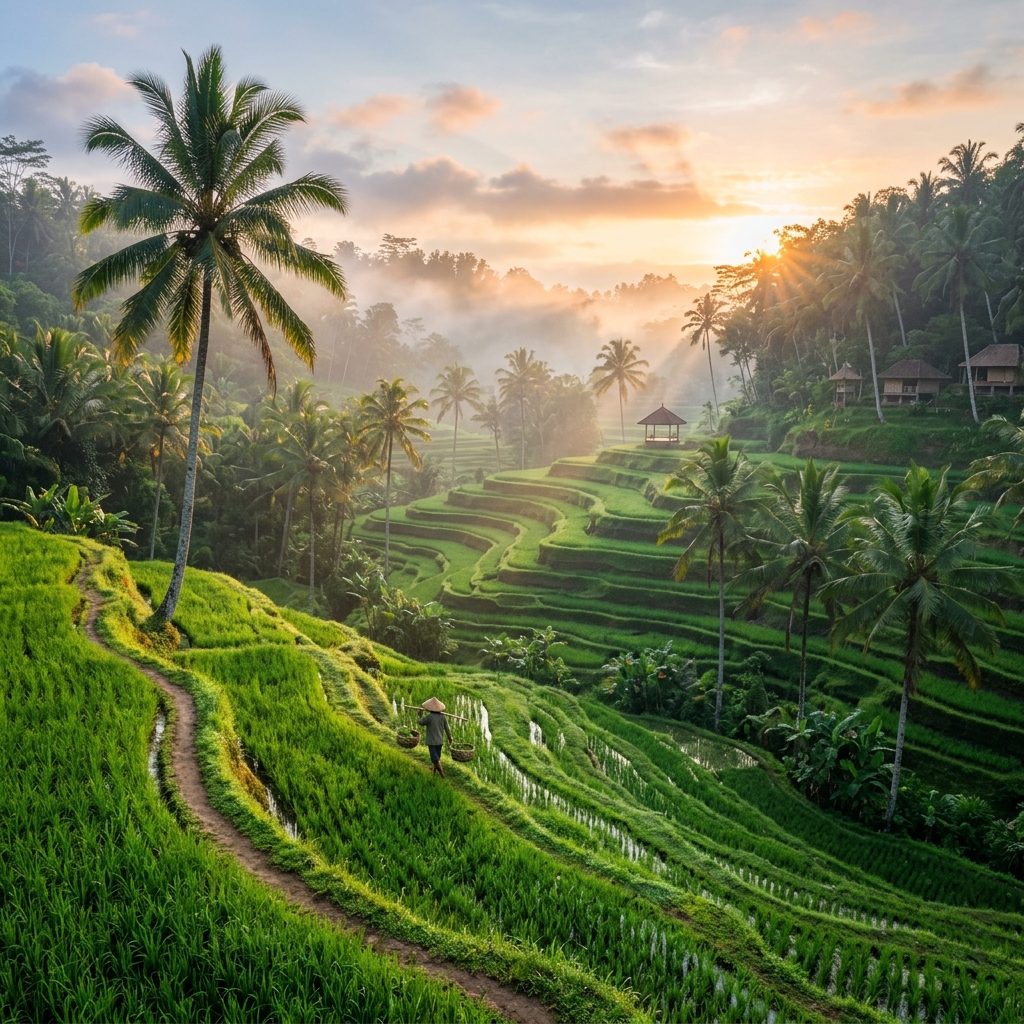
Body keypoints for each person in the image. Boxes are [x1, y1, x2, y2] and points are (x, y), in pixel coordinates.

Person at [418, 696, 453, 777]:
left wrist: (419, 715)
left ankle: (442, 775)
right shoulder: (442, 717)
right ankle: (433, 773)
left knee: (435, 759)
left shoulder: (429, 717)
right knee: (436, 759)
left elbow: (420, 722)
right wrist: (450, 738)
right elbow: (447, 729)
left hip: (432, 742)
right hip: (440, 741)